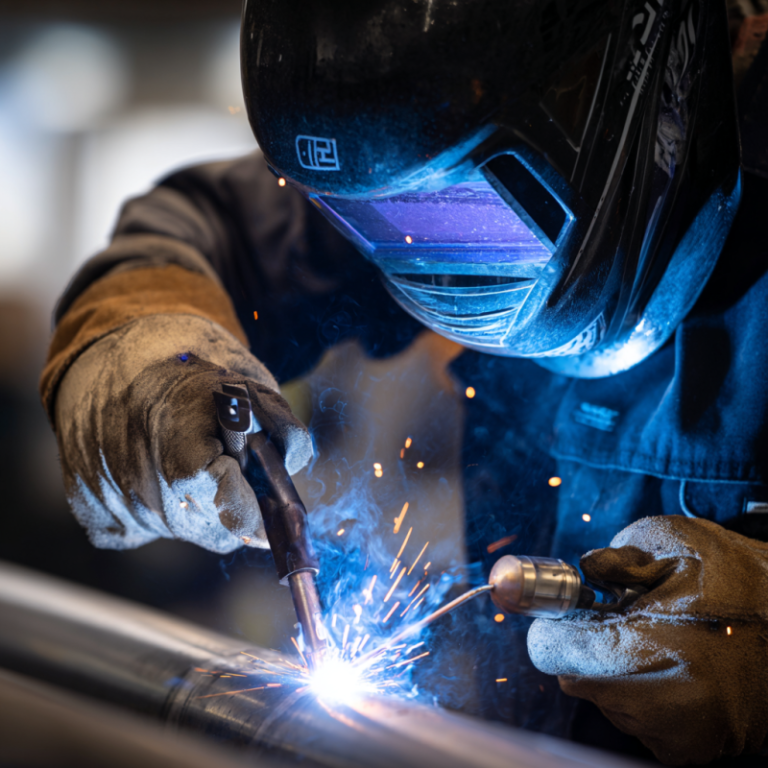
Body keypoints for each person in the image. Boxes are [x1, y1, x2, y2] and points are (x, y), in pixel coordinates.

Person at [41, 0, 768, 763]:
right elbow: (205, 226)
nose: (445, 268)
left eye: (473, 208)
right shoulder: (412, 139)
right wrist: (148, 361)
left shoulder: (529, 91)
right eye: (384, 216)